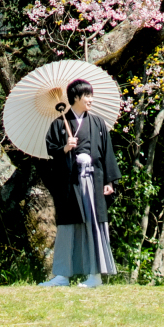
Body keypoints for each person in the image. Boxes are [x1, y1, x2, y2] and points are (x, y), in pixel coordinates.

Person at [36, 78, 119, 288]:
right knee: (68, 226)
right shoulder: (58, 123)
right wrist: (65, 147)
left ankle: (95, 276)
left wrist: (109, 181)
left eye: (91, 95)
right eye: (87, 95)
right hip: (70, 182)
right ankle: (62, 275)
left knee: (95, 225)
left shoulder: (98, 123)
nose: (91, 99)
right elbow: (50, 150)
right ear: (75, 97)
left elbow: (107, 152)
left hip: (94, 179)